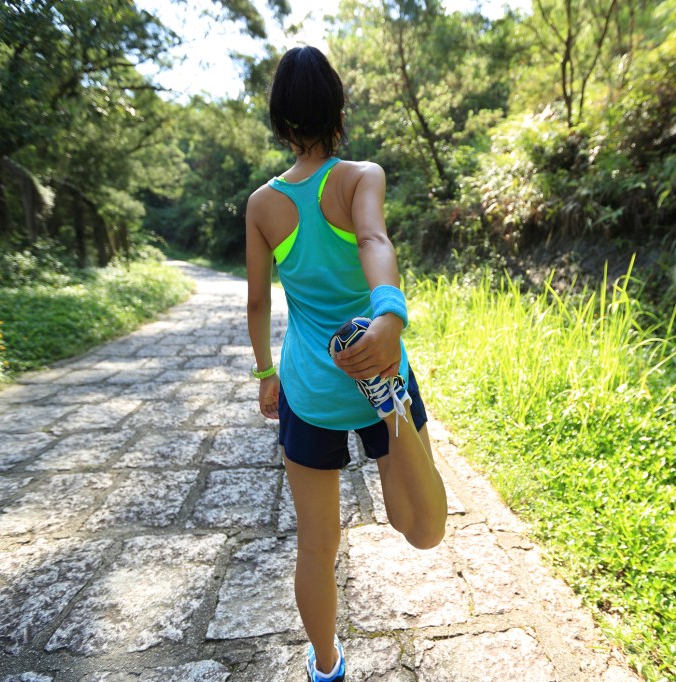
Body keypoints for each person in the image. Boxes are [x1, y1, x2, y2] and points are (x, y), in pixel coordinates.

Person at [245, 46, 448, 682]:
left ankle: (326, 665)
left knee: (317, 544)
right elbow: (373, 241)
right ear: (338, 110)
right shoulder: (362, 177)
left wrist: (264, 376)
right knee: (420, 529)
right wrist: (388, 317)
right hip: (377, 358)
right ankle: (392, 407)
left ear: (280, 121)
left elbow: (257, 303)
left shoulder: (262, 205)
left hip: (310, 387)